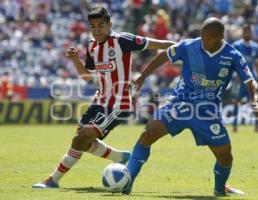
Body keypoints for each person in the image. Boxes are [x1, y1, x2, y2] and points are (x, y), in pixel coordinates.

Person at [32, 6, 175, 188]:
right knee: (81, 142)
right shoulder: (92, 45)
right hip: (98, 101)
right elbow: (87, 77)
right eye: (93, 26)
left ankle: (52, 180)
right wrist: (76, 60)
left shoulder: (122, 40)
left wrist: (185, 47)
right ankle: (122, 157)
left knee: (82, 138)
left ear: (110, 25)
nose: (97, 30)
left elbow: (159, 44)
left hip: (119, 104)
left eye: (101, 25)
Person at [122, 17, 258, 196]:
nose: (204, 41)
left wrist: (256, 102)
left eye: (210, 38)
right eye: (203, 36)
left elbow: (251, 82)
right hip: (180, 103)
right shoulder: (188, 46)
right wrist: (142, 76)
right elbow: (163, 56)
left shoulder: (232, 55)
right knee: (147, 134)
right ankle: (126, 182)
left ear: (221, 37)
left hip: (207, 111)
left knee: (225, 156)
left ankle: (220, 189)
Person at [231, 24, 258, 133]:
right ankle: (234, 126)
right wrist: (233, 75)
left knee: (256, 101)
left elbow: (256, 62)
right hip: (239, 78)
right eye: (246, 31)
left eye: (249, 31)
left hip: (251, 78)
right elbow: (231, 61)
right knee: (237, 101)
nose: (247, 33)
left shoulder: (255, 46)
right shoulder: (236, 45)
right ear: (242, 33)